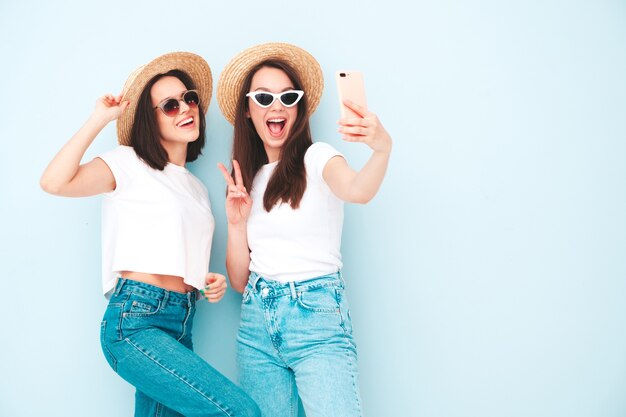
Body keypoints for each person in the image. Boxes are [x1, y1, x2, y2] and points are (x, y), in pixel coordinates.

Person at [40, 52, 260, 417]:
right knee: (241, 412)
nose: (186, 108)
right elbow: (54, 182)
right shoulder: (127, 163)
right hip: (135, 321)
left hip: (182, 322)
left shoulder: (198, 189)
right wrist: (99, 118)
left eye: (189, 98)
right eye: (170, 105)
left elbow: (177, 259)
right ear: (149, 119)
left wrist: (206, 283)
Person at [215, 42, 392, 417]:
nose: (275, 106)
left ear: (299, 108)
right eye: (263, 97)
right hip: (256, 326)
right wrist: (236, 223)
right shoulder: (252, 181)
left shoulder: (318, 157)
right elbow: (239, 281)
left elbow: (357, 190)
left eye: (287, 97)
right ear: (248, 111)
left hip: (316, 320)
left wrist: (381, 149)